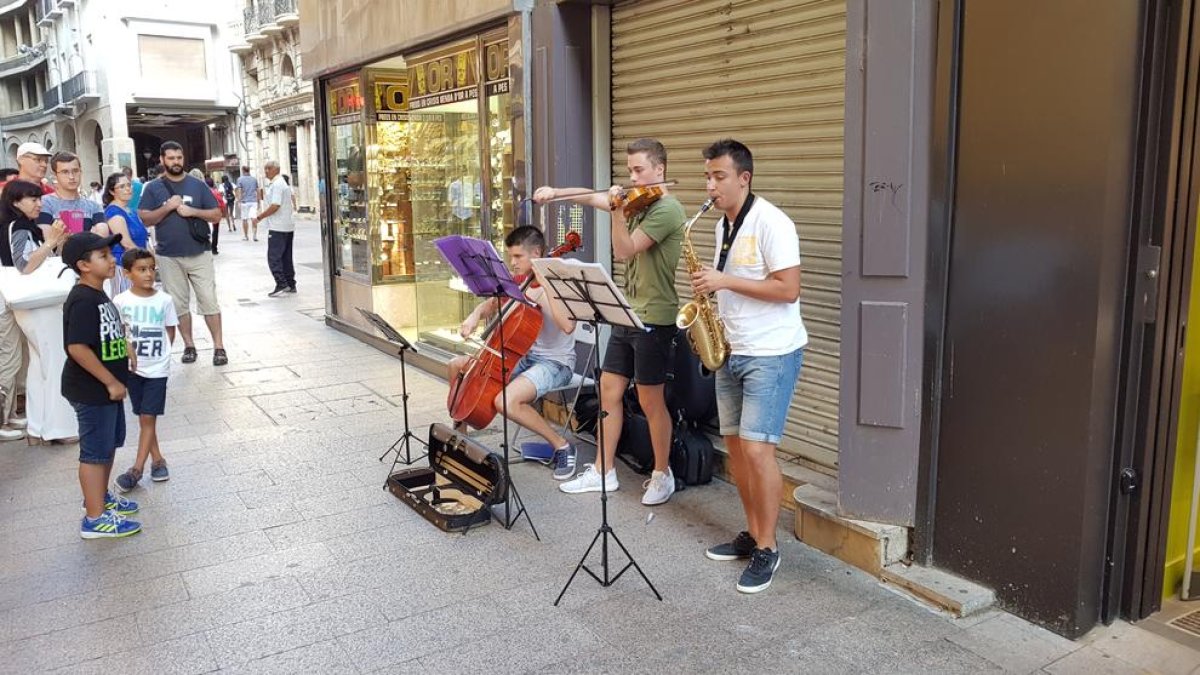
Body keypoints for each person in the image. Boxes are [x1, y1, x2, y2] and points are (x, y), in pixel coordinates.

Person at [533, 138, 686, 505]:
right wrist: (556, 193)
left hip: (654, 319)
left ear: (659, 170)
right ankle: (604, 471)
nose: (632, 177)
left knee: (651, 401)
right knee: (608, 392)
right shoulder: (637, 204)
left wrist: (617, 211)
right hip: (623, 311)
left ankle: (663, 475)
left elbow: (624, 249)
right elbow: (590, 196)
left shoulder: (666, 210)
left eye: (639, 170)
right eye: (629, 169)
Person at [693, 139, 806, 594]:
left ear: (745, 177)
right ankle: (753, 531)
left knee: (759, 453)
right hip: (732, 350)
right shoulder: (724, 225)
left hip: (771, 353)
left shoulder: (773, 223)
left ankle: (768, 547)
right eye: (707, 176)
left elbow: (788, 290)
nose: (711, 185)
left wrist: (723, 280)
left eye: (719, 176)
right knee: (737, 453)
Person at [447, 226, 578, 479]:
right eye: (510, 256)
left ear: (537, 253)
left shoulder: (560, 283)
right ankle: (461, 438)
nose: (512, 263)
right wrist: (474, 316)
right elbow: (493, 302)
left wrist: (546, 286)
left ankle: (562, 446)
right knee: (456, 366)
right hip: (522, 356)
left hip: (555, 363)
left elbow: (569, 325)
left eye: (518, 257)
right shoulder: (519, 280)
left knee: (505, 401)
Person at [61, 231, 141, 539]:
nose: (112, 260)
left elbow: (107, 330)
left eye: (110, 253)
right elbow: (77, 348)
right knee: (95, 452)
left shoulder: (98, 293)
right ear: (83, 265)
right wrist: (109, 381)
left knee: (107, 446)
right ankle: (94, 519)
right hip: (92, 390)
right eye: (104, 256)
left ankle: (101, 499)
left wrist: (126, 346)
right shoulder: (82, 299)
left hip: (107, 390)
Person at [138, 141, 228, 367]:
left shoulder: (197, 185)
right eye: (171, 158)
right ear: (162, 160)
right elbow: (145, 218)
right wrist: (167, 207)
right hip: (169, 255)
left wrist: (192, 211)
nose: (176, 162)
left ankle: (219, 347)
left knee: (209, 300)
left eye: (179, 158)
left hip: (199, 253)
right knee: (178, 304)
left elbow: (217, 214)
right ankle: (189, 345)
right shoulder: (152, 188)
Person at [3, 180, 76, 444]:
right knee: (54, 360)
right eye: (32, 199)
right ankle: (59, 429)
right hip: (37, 305)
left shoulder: (18, 225)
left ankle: (38, 427)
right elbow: (24, 265)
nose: (38, 203)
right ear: (15, 202)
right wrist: (51, 242)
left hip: (31, 304)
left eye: (38, 198)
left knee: (38, 364)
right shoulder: (19, 226)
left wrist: (54, 244)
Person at [112, 247, 178, 493]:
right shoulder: (120, 301)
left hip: (157, 369)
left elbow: (170, 330)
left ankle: (136, 470)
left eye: (152, 269)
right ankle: (158, 460)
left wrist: (162, 356)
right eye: (141, 270)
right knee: (143, 417)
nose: (149, 274)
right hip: (132, 370)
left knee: (148, 417)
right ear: (127, 273)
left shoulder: (165, 300)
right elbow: (118, 332)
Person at [93, 172, 150, 297]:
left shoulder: (131, 211)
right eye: (122, 186)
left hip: (139, 264)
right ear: (112, 192)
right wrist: (149, 259)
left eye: (129, 185)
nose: (128, 189)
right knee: (125, 303)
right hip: (124, 266)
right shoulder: (114, 212)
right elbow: (126, 243)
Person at [254, 161, 296, 297]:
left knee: (274, 257)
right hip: (287, 225)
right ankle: (290, 283)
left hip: (278, 227)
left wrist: (259, 217)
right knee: (286, 257)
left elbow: (275, 205)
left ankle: (281, 282)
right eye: (265, 168)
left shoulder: (277, 185)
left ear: (276, 169)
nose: (266, 171)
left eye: (269, 168)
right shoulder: (281, 183)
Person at [41, 152, 107, 235]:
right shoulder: (45, 203)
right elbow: (47, 239)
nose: (71, 177)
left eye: (75, 171)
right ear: (55, 175)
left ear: (81, 172)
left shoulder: (93, 206)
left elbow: (102, 238)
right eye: (65, 172)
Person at [235, 166, 261, 241]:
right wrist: (258, 201)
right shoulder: (254, 179)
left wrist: (239, 201)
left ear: (243, 170)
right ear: (249, 170)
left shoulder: (240, 179)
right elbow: (258, 190)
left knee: (245, 219)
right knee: (254, 218)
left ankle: (246, 236)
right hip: (253, 201)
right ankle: (255, 235)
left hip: (244, 202)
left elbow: (239, 190)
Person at [203, 175, 226, 256]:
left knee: (205, 230)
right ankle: (214, 249)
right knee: (215, 231)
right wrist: (222, 213)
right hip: (215, 214)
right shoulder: (216, 192)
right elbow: (222, 204)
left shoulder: (203, 192)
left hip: (205, 214)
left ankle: (206, 247)